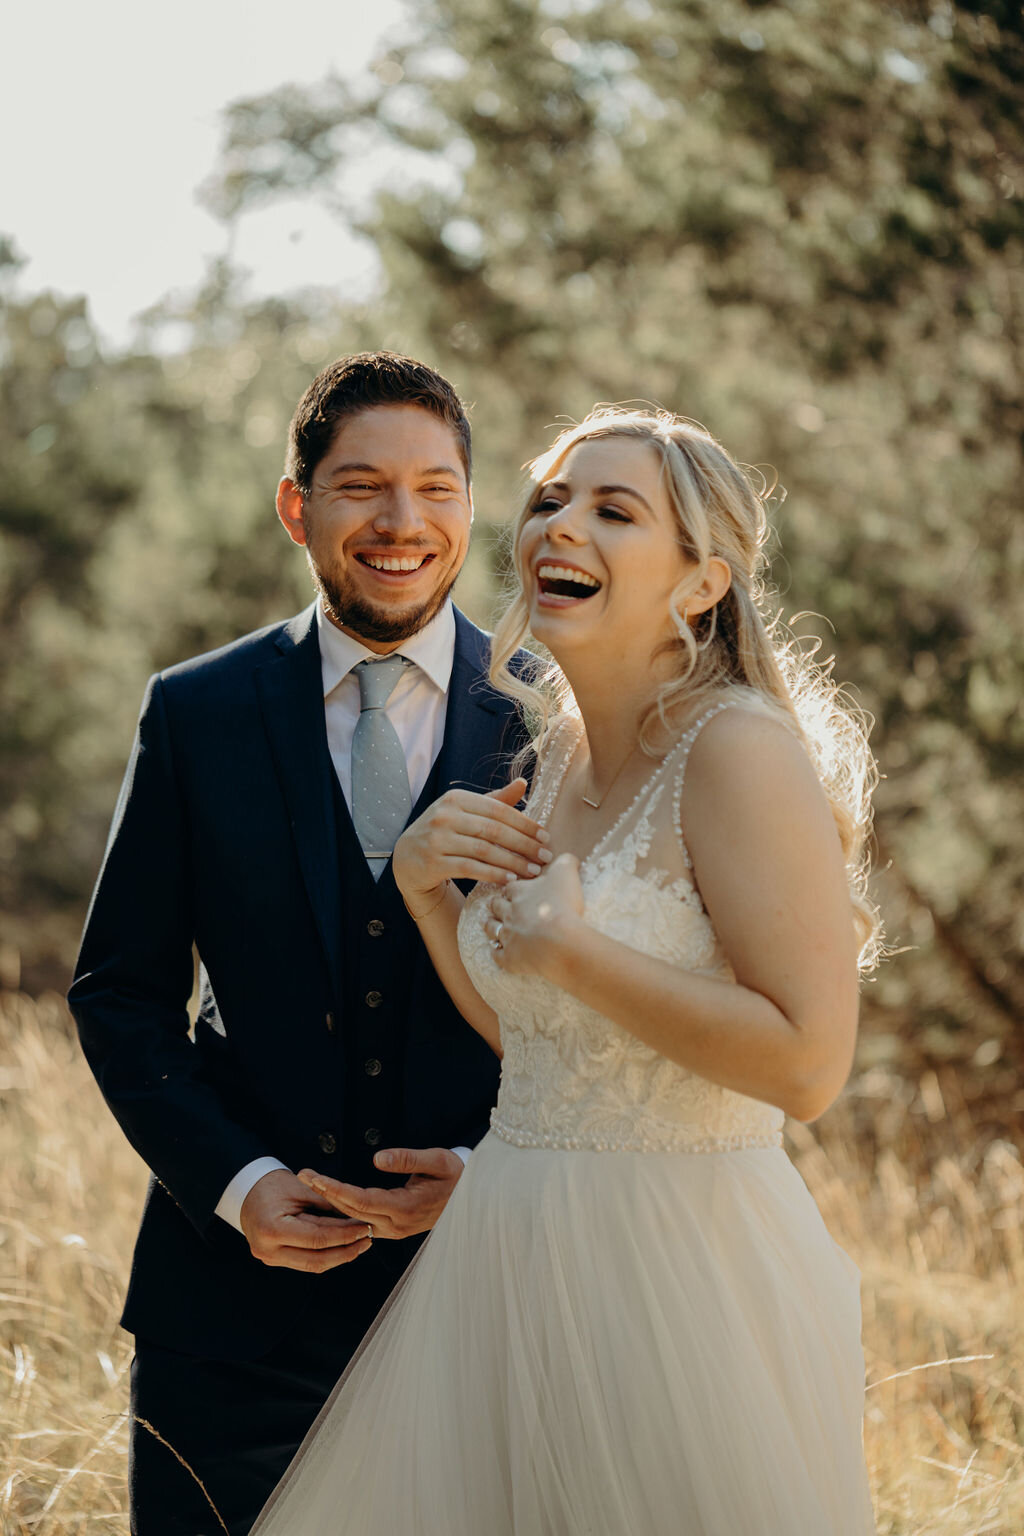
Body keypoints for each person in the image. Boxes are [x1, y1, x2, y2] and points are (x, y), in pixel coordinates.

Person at [252, 405, 881, 1535]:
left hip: (677, 1275)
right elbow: (540, 1034)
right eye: (548, 500)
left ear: (701, 585)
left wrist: (579, 955)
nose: (559, 528)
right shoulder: (552, 761)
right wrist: (424, 896)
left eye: (613, 510)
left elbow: (807, 1065)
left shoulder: (735, 749)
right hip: (506, 1253)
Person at [67, 351, 547, 1536]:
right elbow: (120, 995)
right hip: (227, 1328)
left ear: (469, 507)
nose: (402, 523)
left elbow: (598, 1023)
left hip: (481, 1307)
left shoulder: (553, 714)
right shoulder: (195, 712)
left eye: (437, 488)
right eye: (361, 486)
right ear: (297, 505)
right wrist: (239, 1188)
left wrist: (486, 1183)